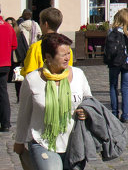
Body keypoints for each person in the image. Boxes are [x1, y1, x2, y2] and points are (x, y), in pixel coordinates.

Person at [12, 32, 90, 169]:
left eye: (69, 53)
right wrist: (19, 141)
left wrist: (86, 111)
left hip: (75, 143)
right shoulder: (32, 80)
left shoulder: (78, 75)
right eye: (63, 54)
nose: (68, 58)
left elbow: (89, 102)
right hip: (43, 142)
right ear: (48, 57)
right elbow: (24, 115)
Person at [102, 9, 128, 123]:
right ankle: (125, 115)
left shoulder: (112, 30)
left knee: (113, 86)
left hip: (114, 61)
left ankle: (115, 112)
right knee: (125, 88)